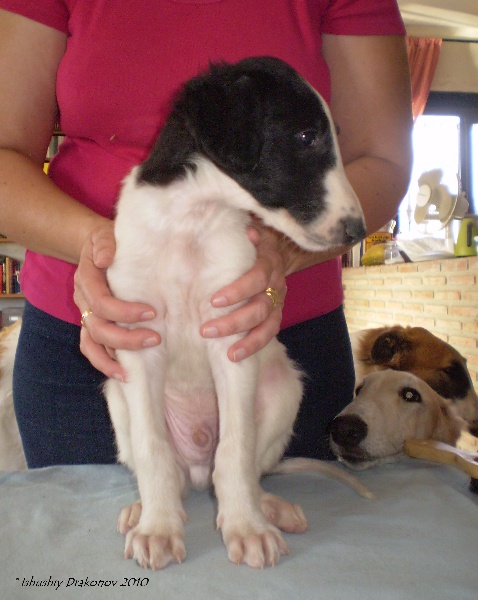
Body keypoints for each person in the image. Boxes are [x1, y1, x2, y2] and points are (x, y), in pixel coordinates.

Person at [0, 0, 412, 468]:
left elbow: (383, 157)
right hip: (96, 340)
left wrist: (279, 251)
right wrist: (95, 246)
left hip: (275, 341)